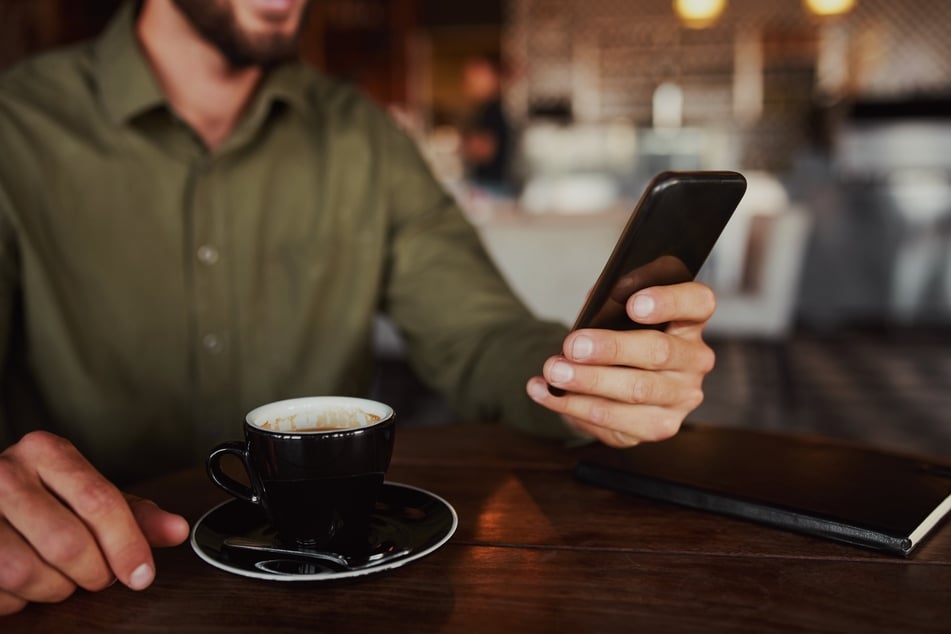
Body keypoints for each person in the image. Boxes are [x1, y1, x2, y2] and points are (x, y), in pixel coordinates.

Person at [0, 0, 716, 615]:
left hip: (328, 599)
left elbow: (479, 336)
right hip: (84, 592)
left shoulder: (364, 139)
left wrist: (590, 377)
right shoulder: (17, 128)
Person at [459, 53, 513, 193]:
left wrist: (464, 146)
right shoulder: (487, 109)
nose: (470, 81)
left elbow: (486, 150)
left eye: (476, 75)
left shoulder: (494, 109)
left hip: (494, 187)